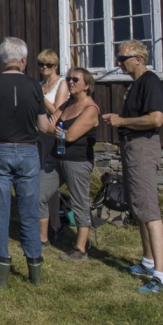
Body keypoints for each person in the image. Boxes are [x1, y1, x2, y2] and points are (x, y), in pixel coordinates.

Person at [0, 37, 50, 288]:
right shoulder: (33, 86)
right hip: (28, 151)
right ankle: (34, 271)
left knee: (1, 211)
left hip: (0, 150)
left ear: (2, 59)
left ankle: (2, 271)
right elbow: (42, 125)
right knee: (29, 211)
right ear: (24, 60)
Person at [102, 40, 163, 293]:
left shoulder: (150, 81)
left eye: (122, 58)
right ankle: (148, 262)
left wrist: (122, 121)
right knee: (139, 206)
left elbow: (156, 118)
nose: (119, 63)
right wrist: (120, 121)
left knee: (149, 210)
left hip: (142, 146)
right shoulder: (135, 85)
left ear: (138, 59)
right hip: (132, 146)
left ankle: (160, 277)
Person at [42, 68, 99, 261]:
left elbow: (72, 135)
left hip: (77, 161)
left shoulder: (90, 109)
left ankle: (80, 249)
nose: (70, 82)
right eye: (69, 78)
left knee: (79, 202)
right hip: (56, 158)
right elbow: (49, 127)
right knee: (38, 193)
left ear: (87, 86)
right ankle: (42, 239)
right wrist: (57, 131)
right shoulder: (67, 104)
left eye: (75, 79)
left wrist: (59, 131)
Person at [37, 49, 70, 247]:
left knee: (49, 180)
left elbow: (59, 110)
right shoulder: (40, 84)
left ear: (55, 66)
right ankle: (43, 221)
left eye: (48, 65)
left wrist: (42, 98)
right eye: (41, 64)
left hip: (52, 135)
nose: (44, 68)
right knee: (41, 179)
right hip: (38, 134)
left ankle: (55, 224)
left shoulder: (62, 83)